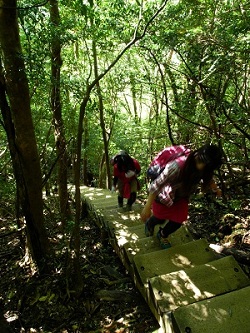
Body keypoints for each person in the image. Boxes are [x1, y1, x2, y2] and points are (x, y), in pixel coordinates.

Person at [141, 143, 223, 248]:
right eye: (199, 162)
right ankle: (150, 223)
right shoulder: (176, 166)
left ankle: (162, 235)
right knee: (159, 218)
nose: (201, 166)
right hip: (164, 195)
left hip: (181, 197)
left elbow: (209, 178)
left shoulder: (205, 167)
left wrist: (215, 189)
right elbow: (156, 185)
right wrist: (147, 207)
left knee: (178, 220)